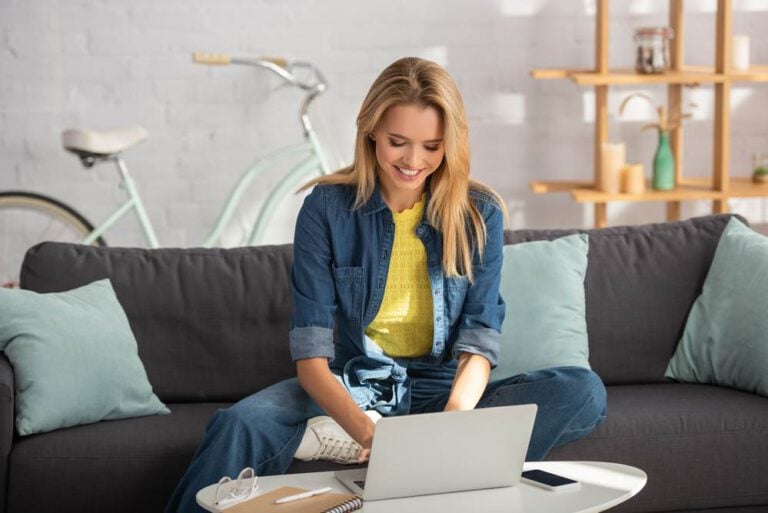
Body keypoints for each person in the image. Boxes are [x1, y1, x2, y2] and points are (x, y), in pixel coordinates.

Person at [165, 56, 606, 513]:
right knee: (240, 424)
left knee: (581, 390)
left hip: (442, 390)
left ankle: (434, 461)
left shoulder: (480, 213)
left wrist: (454, 424)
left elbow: (479, 341)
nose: (414, 161)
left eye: (432, 146)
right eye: (398, 142)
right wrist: (368, 432)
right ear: (371, 129)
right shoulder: (326, 209)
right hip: (355, 384)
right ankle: (407, 457)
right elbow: (311, 360)